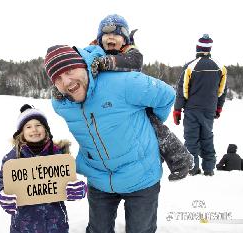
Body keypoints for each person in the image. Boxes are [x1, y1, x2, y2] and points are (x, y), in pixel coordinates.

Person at [44, 44, 175, 233]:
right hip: (99, 179)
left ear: (83, 64)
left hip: (141, 175)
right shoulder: (61, 104)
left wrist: (149, 124)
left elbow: (167, 96)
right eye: (57, 78)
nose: (66, 81)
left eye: (70, 70)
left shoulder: (124, 83)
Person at [87, 14, 193, 181]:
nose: (111, 37)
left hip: (132, 102)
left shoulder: (130, 52)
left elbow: (135, 61)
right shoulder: (92, 52)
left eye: (116, 34)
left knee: (153, 126)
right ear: (100, 38)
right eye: (106, 34)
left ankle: (180, 158)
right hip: (106, 102)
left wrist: (106, 62)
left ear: (125, 39)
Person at [0, 104, 87, 233]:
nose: (34, 130)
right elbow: (2, 181)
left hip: (55, 224)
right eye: (28, 126)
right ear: (21, 132)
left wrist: (78, 189)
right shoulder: (13, 158)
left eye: (38, 125)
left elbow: (69, 180)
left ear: (46, 129)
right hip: (24, 225)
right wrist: (2, 193)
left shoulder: (59, 155)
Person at [173, 34, 227, 176]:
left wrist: (177, 110)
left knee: (191, 140)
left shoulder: (190, 66)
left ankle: (193, 168)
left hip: (192, 110)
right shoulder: (220, 68)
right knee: (207, 138)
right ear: (209, 49)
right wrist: (219, 107)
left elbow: (182, 90)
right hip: (209, 109)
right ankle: (209, 169)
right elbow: (222, 91)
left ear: (197, 48)